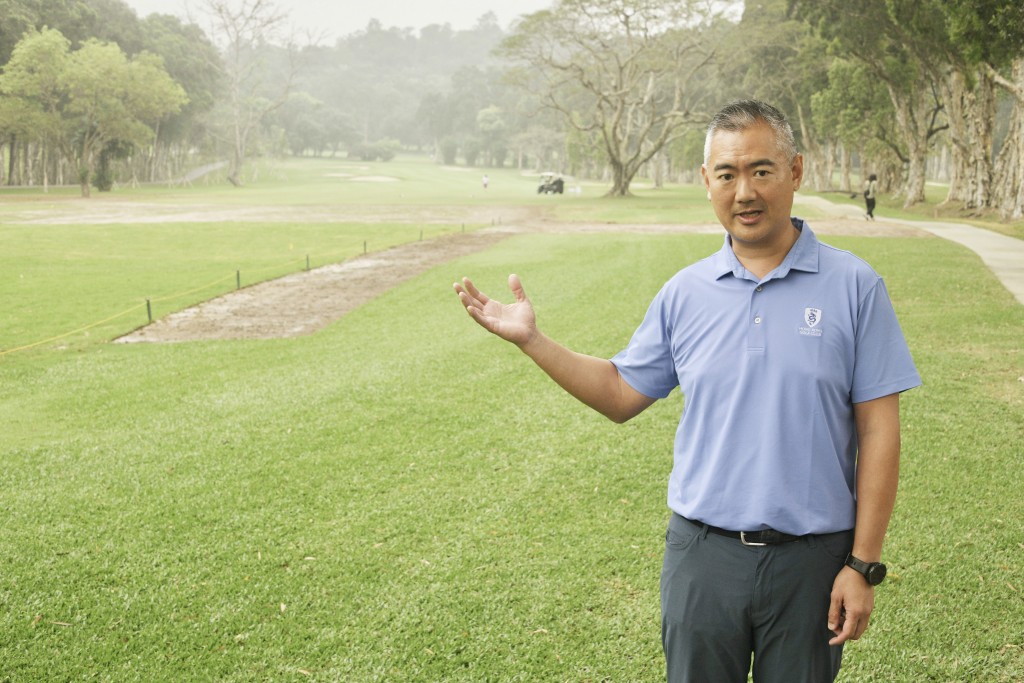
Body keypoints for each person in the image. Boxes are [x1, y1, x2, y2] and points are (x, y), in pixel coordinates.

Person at [453, 100, 921, 683]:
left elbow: (880, 431)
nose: (744, 191)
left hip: (813, 561)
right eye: (727, 174)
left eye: (761, 170)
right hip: (703, 558)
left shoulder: (855, 286)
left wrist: (862, 564)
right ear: (707, 182)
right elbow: (621, 393)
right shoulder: (684, 293)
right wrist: (533, 341)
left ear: (795, 172)